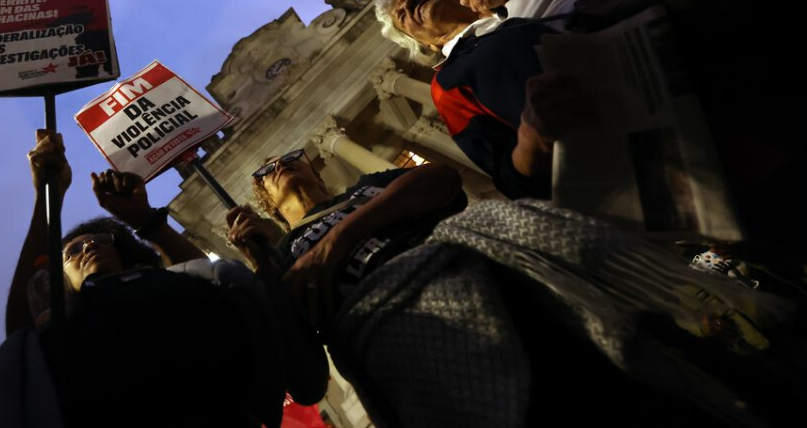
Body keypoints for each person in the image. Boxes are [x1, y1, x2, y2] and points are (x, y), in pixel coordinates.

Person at [229, 149, 806, 427]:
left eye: (293, 158)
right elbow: (302, 373)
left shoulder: (368, 187)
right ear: (261, 198)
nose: (287, 167)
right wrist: (258, 259)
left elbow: (438, 181)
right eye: (271, 169)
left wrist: (336, 241)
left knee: (633, 359)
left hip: (485, 261)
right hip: (412, 335)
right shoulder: (278, 258)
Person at [0, 131, 327, 428]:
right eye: (71, 251)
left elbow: (211, 285)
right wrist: (48, 196)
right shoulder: (65, 328)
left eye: (100, 241)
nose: (87, 247)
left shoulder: (171, 290)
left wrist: (148, 222)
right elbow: (22, 329)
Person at [374, 0, 674, 198]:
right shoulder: (450, 82)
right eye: (402, 15)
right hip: (657, 122)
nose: (410, 3)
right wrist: (533, 138)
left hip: (679, 2)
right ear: (423, 45)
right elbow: (510, 178)